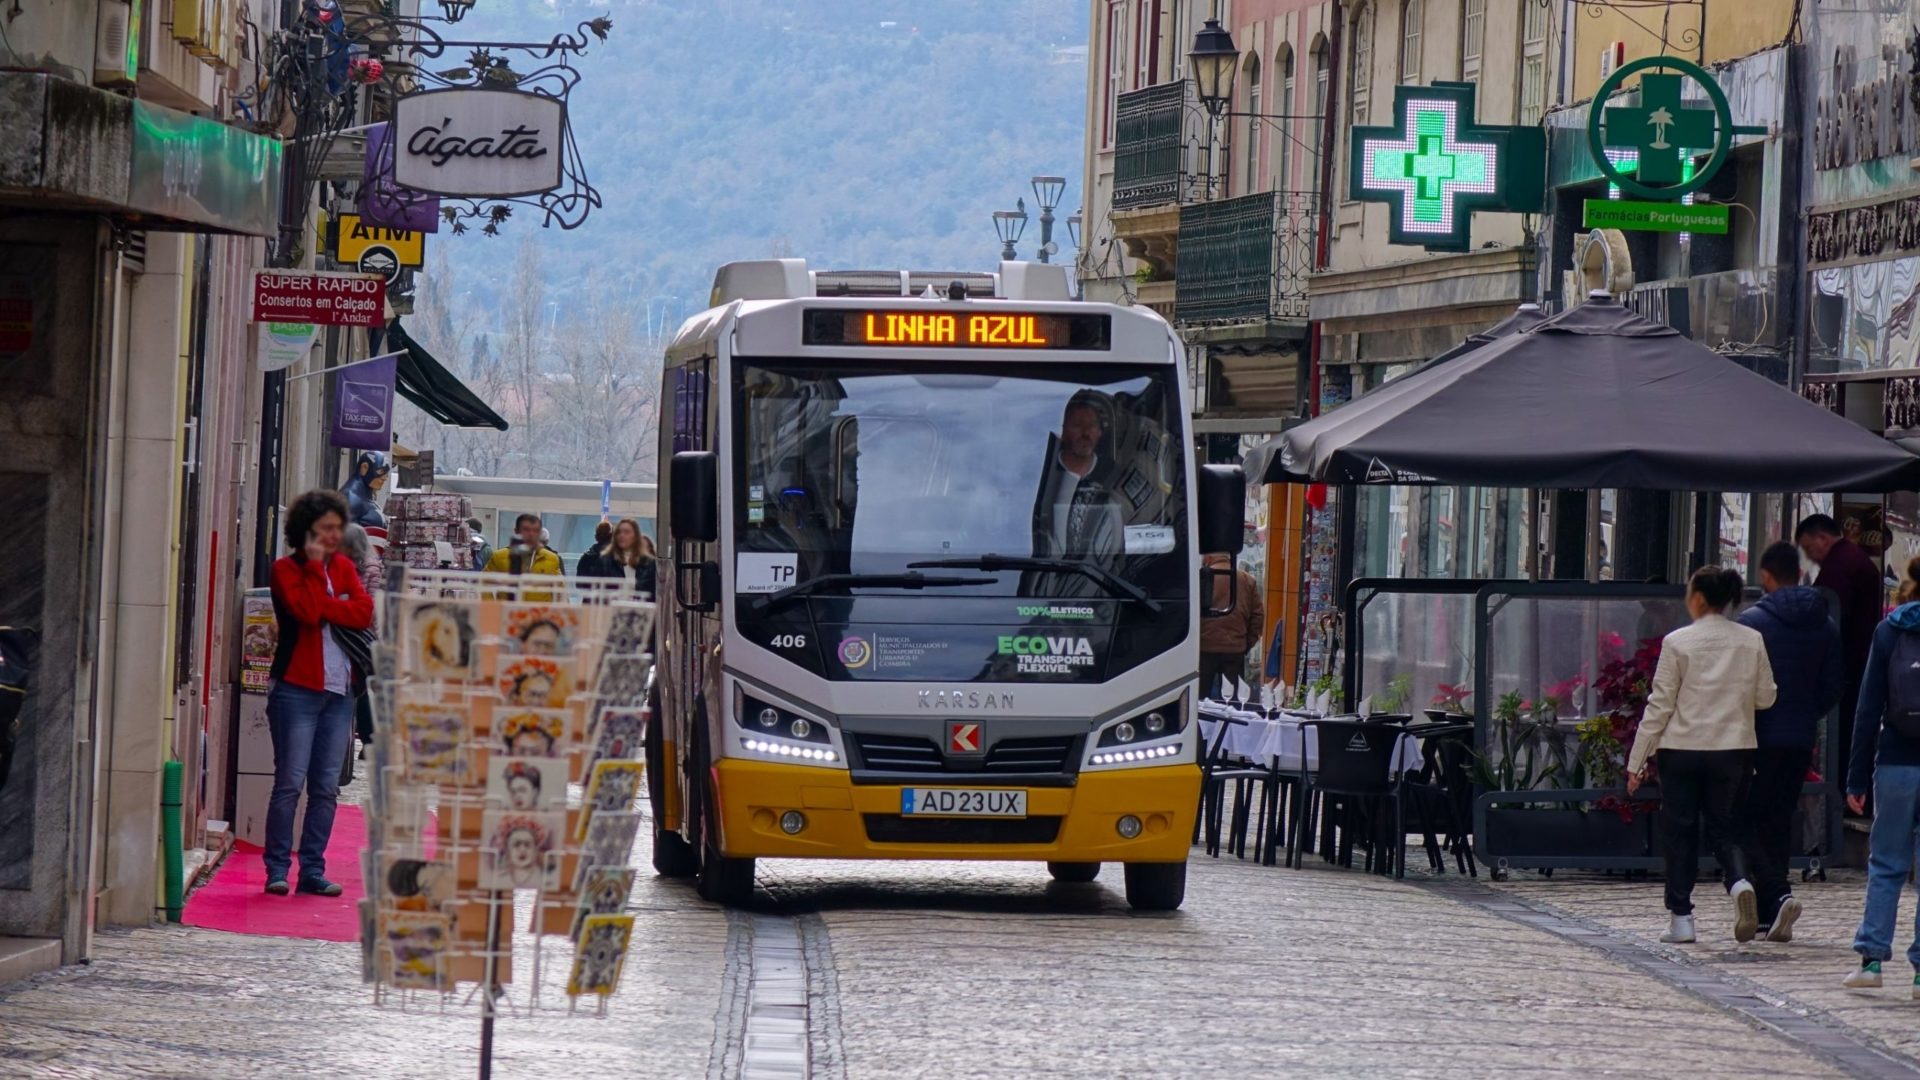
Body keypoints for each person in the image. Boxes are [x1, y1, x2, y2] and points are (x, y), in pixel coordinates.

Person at [1625, 566, 1776, 945]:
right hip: (1733, 748)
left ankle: (1682, 919)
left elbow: (1659, 706)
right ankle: (1740, 882)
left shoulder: (1677, 642)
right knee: (1727, 826)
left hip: (1681, 749)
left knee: (1679, 831)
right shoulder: (1751, 640)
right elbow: (1766, 697)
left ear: (1697, 598)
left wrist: (1637, 760)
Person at [265, 489, 374, 897]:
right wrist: (320, 581)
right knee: (290, 783)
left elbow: (363, 613)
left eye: (336, 528)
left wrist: (330, 603)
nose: (333, 536)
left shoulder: (345, 567)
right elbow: (306, 614)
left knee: (326, 786)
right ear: (306, 530)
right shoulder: (285, 570)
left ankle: (313, 868)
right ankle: (276, 868)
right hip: (297, 689)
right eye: (325, 528)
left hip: (340, 690)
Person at [1736, 542, 1844, 942]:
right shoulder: (1826, 623)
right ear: (1798, 573)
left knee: (1742, 818)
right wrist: (1804, 715)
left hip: (1757, 735)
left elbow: (1741, 685)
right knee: (1779, 818)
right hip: (1800, 737)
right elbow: (1833, 685)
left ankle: (1777, 894)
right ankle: (1770, 913)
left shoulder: (1752, 623)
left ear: (1766, 575)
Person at [1842, 557, 1920, 992]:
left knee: (1886, 864)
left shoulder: (1889, 631)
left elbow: (1867, 708)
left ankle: (1871, 963)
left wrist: (1855, 779)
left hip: (1894, 763)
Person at [1798, 513, 1886, 801]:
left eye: (1810, 548)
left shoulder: (1839, 565)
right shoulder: (1854, 559)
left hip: (1848, 667)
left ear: (1822, 538)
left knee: (1845, 734)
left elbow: (1829, 618)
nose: (1812, 557)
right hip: (1858, 661)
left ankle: (1845, 796)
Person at [1027, 392, 1124, 597]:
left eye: (1092, 426)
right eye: (1077, 426)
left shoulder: (1113, 475)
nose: (1086, 433)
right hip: (1046, 580)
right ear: (1063, 431)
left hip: (1100, 586)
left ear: (1100, 432)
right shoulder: (1040, 474)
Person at [337, 523, 383, 785]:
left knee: (359, 688)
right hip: (347, 632)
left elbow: (370, 604)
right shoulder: (346, 563)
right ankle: (368, 738)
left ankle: (368, 738)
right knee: (359, 688)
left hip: (358, 634)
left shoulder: (368, 567)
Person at [1199, 552, 1262, 699]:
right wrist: (1246, 643)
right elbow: (1258, 616)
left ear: (1208, 558)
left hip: (1205, 648)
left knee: (1200, 700)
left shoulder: (1201, 578)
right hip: (1234, 649)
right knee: (1233, 699)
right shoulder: (1247, 580)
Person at [485, 513, 563, 599]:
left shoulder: (551, 558)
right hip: (508, 610)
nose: (531, 534)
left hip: (540, 611)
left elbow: (560, 590)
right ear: (516, 531)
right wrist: (491, 607)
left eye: (535, 530)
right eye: (526, 529)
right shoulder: (499, 556)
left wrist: (557, 610)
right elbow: (483, 583)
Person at [579, 517, 657, 597]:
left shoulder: (648, 563)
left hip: (640, 606)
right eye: (619, 532)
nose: (622, 535)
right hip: (612, 606)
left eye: (627, 532)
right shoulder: (606, 560)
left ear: (636, 536)